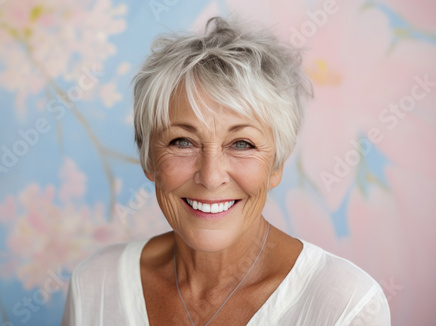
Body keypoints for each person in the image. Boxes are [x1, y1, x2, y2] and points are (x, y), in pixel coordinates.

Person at [61, 17, 391, 325]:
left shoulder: (346, 306)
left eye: (242, 144)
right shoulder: (95, 284)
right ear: (148, 158)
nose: (211, 175)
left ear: (276, 165)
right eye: (182, 141)